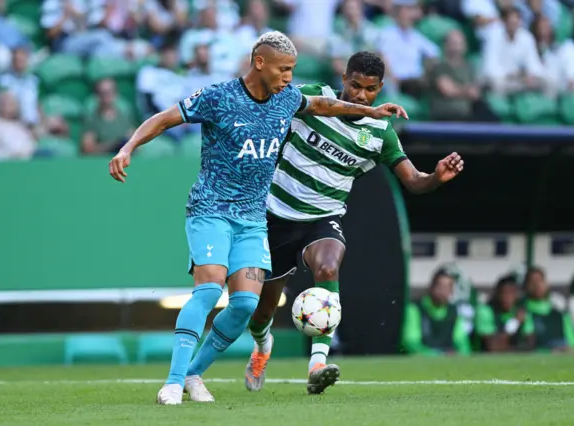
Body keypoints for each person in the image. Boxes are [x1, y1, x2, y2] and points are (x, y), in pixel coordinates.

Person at [108, 32, 405, 405]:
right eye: (284, 69)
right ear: (260, 63)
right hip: (212, 208)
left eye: (293, 70)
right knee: (210, 287)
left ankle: (195, 374)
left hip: (252, 218)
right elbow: (167, 118)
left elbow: (326, 106)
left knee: (246, 305)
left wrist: (370, 112)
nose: (289, 77)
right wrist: (128, 147)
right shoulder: (219, 97)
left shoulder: (286, 99)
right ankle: (173, 381)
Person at [243, 51, 464, 395]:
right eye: (355, 85)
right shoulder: (317, 98)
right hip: (277, 214)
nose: (361, 95)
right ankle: (262, 347)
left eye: (370, 89)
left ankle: (317, 365)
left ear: (381, 88)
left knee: (328, 267)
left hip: (323, 218)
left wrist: (435, 176)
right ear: (343, 79)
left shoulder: (381, 133)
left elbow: (414, 181)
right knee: (263, 310)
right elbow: (273, 102)